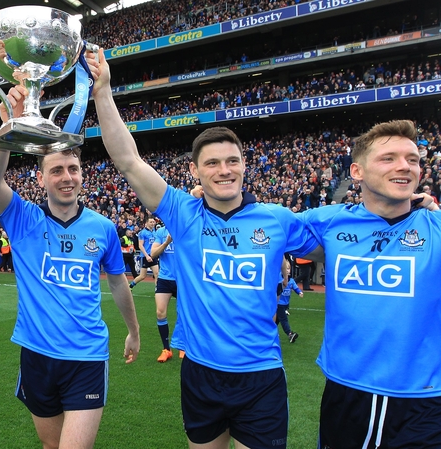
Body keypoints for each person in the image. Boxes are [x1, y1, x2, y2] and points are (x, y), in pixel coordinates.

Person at [90, 48, 320, 449]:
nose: (224, 170)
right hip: (199, 372)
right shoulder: (182, 212)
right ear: (195, 170)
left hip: (261, 375)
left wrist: (406, 212)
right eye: (212, 163)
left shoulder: (277, 218)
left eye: (232, 161)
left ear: (245, 165)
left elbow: (337, 242)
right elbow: (128, 160)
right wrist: (103, 90)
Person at [0, 86, 140, 449]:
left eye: (73, 168)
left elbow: (117, 283)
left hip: (86, 356)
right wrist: (9, 130)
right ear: (40, 178)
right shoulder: (23, 219)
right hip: (36, 355)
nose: (67, 176)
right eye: (57, 170)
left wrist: (133, 331)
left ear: (82, 175)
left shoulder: (103, 228)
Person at [300, 120, 441, 448]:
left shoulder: (435, 226)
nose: (405, 166)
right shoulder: (330, 221)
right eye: (388, 158)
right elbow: (261, 228)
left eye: (413, 159)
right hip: (347, 392)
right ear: (357, 172)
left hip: (424, 400)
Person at [149, 225, 177, 363]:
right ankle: (166, 349)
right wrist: (166, 243)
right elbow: (153, 254)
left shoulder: (185, 227)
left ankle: (183, 346)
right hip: (165, 278)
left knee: (186, 313)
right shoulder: (161, 231)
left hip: (183, 279)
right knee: (160, 312)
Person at [276, 259, 302, 344]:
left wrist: (299, 292)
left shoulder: (291, 280)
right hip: (279, 303)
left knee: (277, 320)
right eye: (286, 268)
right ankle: (290, 334)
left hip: (285, 304)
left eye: (289, 268)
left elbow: (295, 287)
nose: (287, 270)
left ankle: (270, 332)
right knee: (284, 319)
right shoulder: (279, 278)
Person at [128, 217, 158, 288]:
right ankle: (131, 285)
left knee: (157, 274)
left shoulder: (154, 232)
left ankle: (158, 290)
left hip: (153, 255)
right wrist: (147, 256)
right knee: (142, 276)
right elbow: (140, 245)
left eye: (153, 222)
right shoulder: (142, 233)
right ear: (146, 223)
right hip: (145, 256)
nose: (152, 223)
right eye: (151, 222)